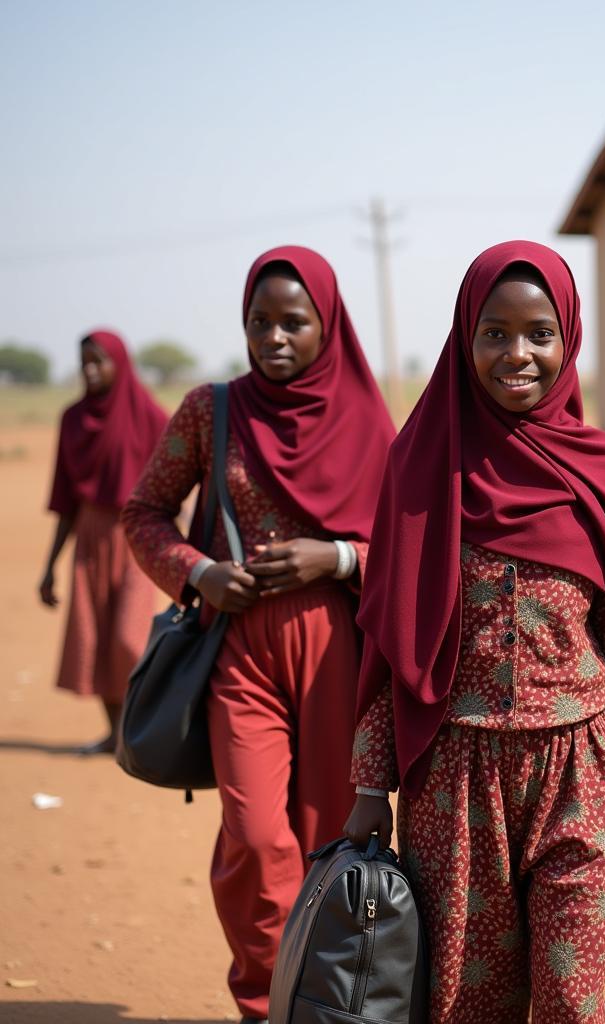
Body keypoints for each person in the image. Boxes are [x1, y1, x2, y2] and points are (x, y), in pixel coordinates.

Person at [344, 240, 605, 1024]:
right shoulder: (421, 466)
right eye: (493, 332)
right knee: (469, 1005)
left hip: (583, 774)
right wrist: (371, 786)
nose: (517, 354)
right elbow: (391, 644)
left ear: (569, 339)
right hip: (454, 782)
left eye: (539, 333)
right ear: (464, 338)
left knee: (572, 1001)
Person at [122, 246, 394, 1024]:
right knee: (255, 836)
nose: (274, 337)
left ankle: (328, 1005)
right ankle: (262, 1002)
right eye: (259, 321)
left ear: (327, 325)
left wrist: (337, 555)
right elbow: (143, 511)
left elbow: (412, 555)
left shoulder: (369, 420)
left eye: (293, 322)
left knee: (333, 839)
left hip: (344, 649)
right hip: (237, 651)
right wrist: (198, 572)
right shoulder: (212, 411)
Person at [39, 330, 167, 754]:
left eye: (99, 361)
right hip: (90, 539)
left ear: (120, 363)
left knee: (130, 640)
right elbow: (65, 499)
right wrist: (50, 566)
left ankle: (137, 732)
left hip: (137, 534)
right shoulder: (73, 418)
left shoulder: (147, 414)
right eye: (84, 363)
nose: (91, 370)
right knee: (91, 638)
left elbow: (176, 478)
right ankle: (115, 735)